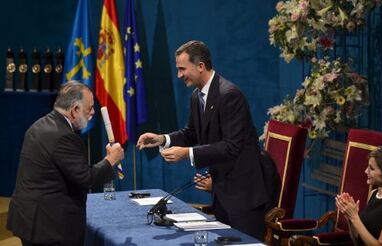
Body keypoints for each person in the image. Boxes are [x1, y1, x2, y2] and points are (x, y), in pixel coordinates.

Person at [137, 40, 268, 240]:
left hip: (243, 195)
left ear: (200, 66)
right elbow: (192, 132)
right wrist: (162, 139)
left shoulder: (230, 95)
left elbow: (232, 147)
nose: (179, 75)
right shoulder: (197, 96)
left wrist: (186, 153)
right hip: (222, 192)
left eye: (182, 69)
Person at [7, 81, 124, 246]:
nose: (93, 113)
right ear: (75, 110)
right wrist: (110, 160)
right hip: (49, 227)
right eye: (89, 108)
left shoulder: (40, 125)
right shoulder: (63, 136)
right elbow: (86, 179)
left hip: (30, 218)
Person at [336, 146, 382, 246]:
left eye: (372, 168)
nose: (366, 171)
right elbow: (358, 241)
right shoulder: (373, 193)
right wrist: (350, 218)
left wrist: (355, 217)